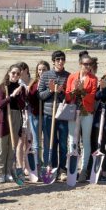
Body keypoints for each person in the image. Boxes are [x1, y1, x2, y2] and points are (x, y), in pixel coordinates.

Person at [38, 50, 70, 181]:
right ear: (53, 61)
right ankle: (51, 167)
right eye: (58, 59)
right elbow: (40, 95)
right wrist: (51, 91)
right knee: (50, 142)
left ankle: (62, 169)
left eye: (62, 59)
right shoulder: (46, 75)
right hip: (48, 114)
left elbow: (70, 96)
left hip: (62, 114)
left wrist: (62, 92)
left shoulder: (68, 76)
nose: (60, 61)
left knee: (63, 143)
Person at [65, 55, 98, 182]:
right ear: (80, 64)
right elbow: (68, 96)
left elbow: (92, 97)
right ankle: (72, 168)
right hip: (73, 111)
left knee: (86, 141)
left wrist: (82, 90)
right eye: (85, 64)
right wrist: (74, 90)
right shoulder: (72, 77)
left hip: (87, 112)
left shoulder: (93, 79)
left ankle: (84, 170)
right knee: (72, 140)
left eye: (90, 64)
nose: (88, 66)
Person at [0, 64, 26, 183]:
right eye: (13, 73)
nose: (15, 75)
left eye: (18, 74)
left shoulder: (20, 88)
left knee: (12, 147)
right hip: (4, 118)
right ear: (9, 73)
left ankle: (8, 172)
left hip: (16, 116)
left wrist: (18, 95)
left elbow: (22, 105)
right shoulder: (2, 87)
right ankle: (1, 173)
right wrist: (11, 96)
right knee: (3, 147)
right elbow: (0, 104)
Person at [27, 61, 50, 170]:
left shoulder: (50, 82)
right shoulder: (33, 83)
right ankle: (37, 166)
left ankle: (46, 165)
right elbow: (30, 99)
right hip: (35, 115)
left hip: (46, 115)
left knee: (46, 143)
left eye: (44, 69)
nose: (41, 72)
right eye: (39, 69)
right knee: (36, 143)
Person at [16, 62, 30, 175]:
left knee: (29, 141)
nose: (18, 73)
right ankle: (20, 166)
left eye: (20, 70)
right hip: (22, 113)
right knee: (21, 140)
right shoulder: (18, 83)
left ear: (25, 70)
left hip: (31, 114)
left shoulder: (31, 81)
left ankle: (28, 165)